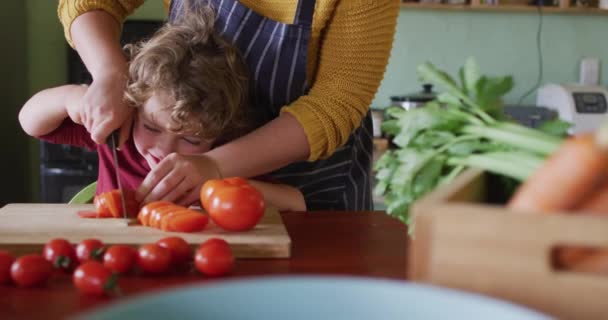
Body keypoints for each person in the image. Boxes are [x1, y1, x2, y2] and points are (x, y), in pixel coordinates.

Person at [57, 0, 400, 210]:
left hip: (311, 186)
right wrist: (111, 75)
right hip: (199, 166)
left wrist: (212, 165)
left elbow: (335, 104)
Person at [20, 6, 305, 212]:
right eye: (152, 127)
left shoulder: (223, 152)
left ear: (222, 130)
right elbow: (30, 121)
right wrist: (78, 99)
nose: (166, 149)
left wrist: (218, 180)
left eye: (191, 139)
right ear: (134, 106)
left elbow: (295, 202)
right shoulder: (120, 131)